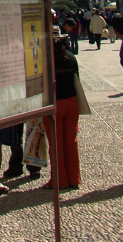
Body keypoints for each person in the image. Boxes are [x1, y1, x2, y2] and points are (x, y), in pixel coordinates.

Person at [42, 30, 81, 190]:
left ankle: (59, 180)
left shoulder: (47, 59)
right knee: (71, 142)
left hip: (55, 104)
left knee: (56, 145)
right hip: (72, 102)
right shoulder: (71, 57)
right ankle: (74, 178)